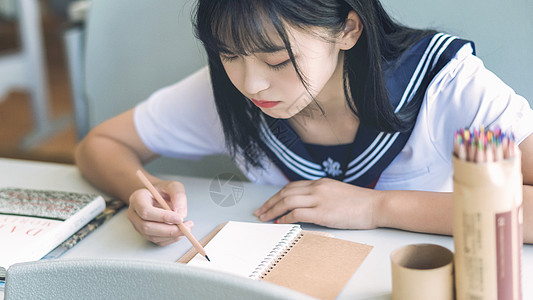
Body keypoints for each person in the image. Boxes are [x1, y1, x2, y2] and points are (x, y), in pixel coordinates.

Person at [75, 0, 533, 246]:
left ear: (347, 30)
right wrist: (145, 193)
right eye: (229, 54)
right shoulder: (224, 91)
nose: (251, 84)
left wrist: (378, 208)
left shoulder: (446, 85)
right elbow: (101, 144)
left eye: (277, 59)